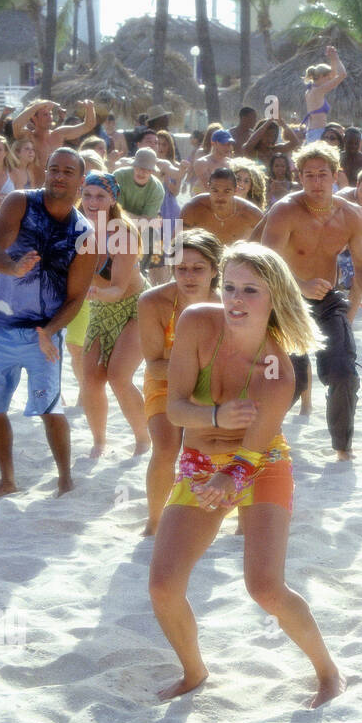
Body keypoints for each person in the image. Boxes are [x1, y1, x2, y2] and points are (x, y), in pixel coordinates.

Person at [148, 242, 345, 708]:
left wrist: (228, 474)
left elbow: (250, 457)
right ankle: (194, 671)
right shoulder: (197, 321)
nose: (235, 299)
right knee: (162, 586)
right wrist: (215, 416)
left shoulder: (280, 371)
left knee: (265, 587)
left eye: (250, 291)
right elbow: (174, 408)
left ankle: (328, 671)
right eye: (230, 287)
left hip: (261, 465)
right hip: (199, 463)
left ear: (274, 296)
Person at [262, 142, 362, 459]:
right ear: (300, 177)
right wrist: (301, 285)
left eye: (323, 174)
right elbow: (265, 262)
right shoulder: (285, 210)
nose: (317, 182)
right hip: (285, 301)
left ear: (336, 176)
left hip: (327, 300)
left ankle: (342, 448)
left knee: (344, 373)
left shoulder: (351, 215)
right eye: (309, 175)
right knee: (291, 380)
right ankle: (262, 437)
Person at [0, 148, 94, 498]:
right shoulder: (20, 202)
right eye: (54, 168)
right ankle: (8, 479)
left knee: (50, 408)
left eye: (68, 171)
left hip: (43, 332)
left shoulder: (84, 233)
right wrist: (12, 267)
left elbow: (76, 298)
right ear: (45, 171)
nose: (59, 175)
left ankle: (64, 479)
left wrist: (51, 331)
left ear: (80, 180)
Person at [139, 229, 222, 537]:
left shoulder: (228, 302)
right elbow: (155, 366)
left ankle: (238, 518)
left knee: (225, 444)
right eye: (181, 269)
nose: (188, 276)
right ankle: (155, 520)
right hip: (167, 381)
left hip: (215, 383)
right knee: (165, 445)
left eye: (198, 269)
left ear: (215, 269)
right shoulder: (153, 301)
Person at [76, 171, 151, 459]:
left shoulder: (123, 232)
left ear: (112, 199)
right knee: (91, 379)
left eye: (100, 196)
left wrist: (85, 293)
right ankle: (99, 442)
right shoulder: (77, 228)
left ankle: (143, 438)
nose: (93, 201)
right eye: (88, 195)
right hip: (99, 306)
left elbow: (118, 288)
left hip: (134, 306)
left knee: (119, 376)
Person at [11, 99, 97, 179]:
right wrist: (37, 106)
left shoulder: (58, 134)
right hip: (34, 189)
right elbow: (16, 125)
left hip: (56, 187)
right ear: (34, 117)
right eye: (45, 114)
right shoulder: (29, 137)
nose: (50, 117)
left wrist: (90, 108)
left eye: (50, 113)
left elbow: (88, 125)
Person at [301, 46, 347, 142]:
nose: (330, 80)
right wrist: (336, 58)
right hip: (318, 133)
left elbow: (334, 74)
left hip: (313, 132)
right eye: (328, 78)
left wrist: (332, 59)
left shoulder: (311, 90)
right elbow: (342, 74)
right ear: (321, 76)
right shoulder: (318, 91)